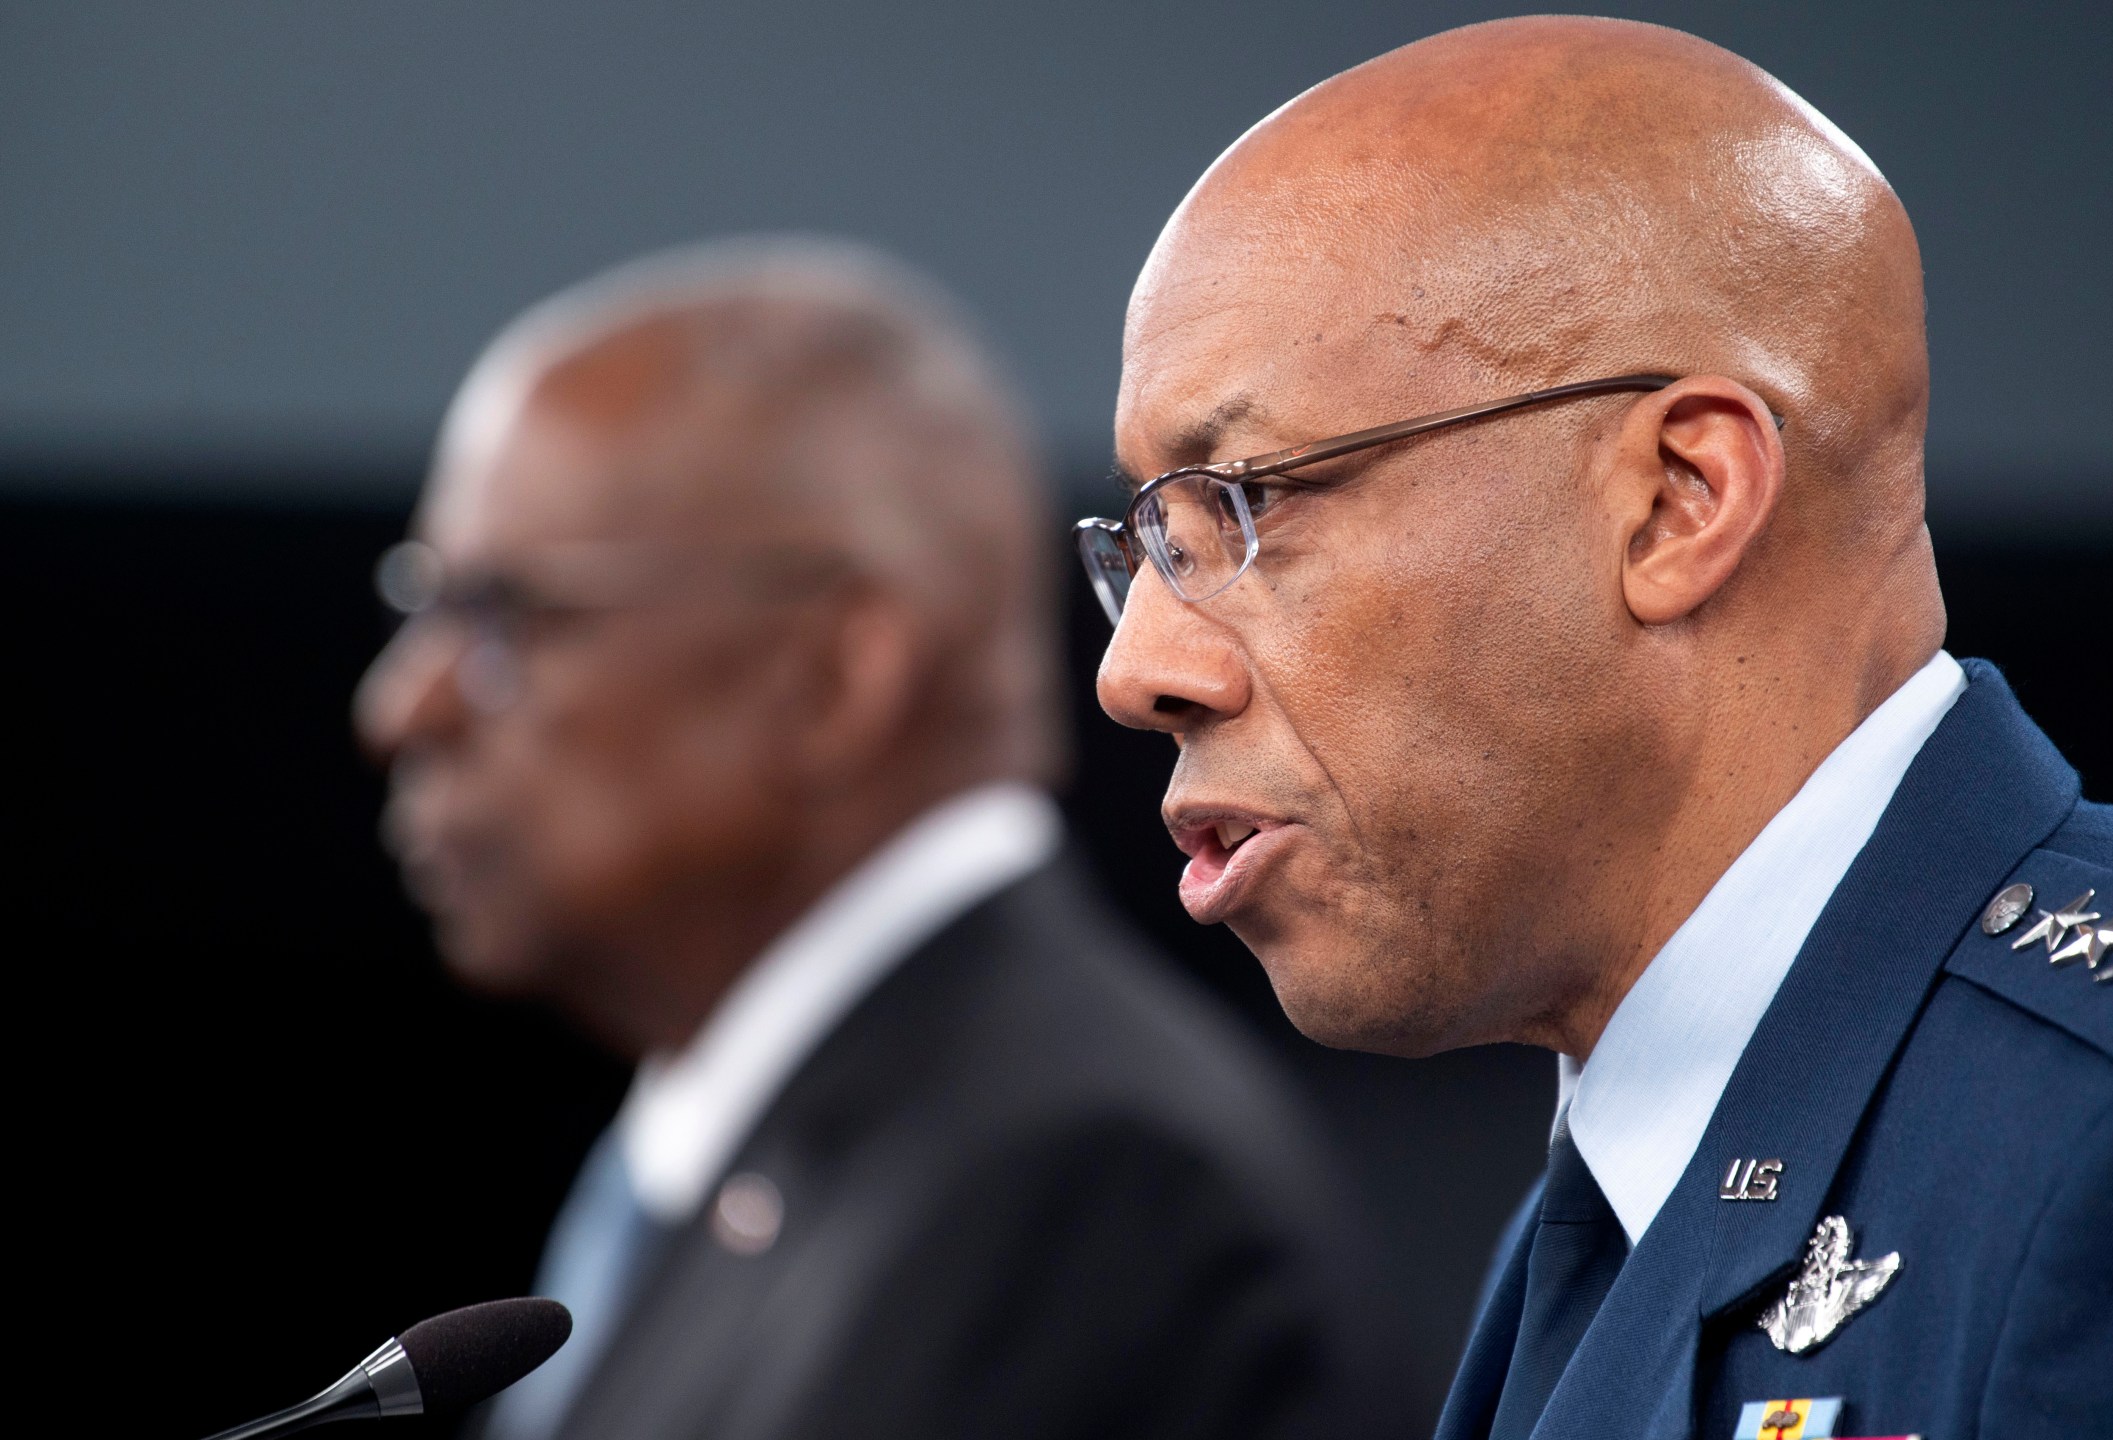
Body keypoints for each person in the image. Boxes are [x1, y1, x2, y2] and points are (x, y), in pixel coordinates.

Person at [1077, 17, 2113, 1439]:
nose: (1139, 669)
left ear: (1678, 501)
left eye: (1245, 502)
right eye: (1141, 545)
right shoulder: (1601, 1211)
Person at [358, 237, 1406, 1440]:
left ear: (831, 676)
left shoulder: (1079, 1194)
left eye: (500, 618)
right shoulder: (768, 1152)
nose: (402, 709)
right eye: (424, 605)